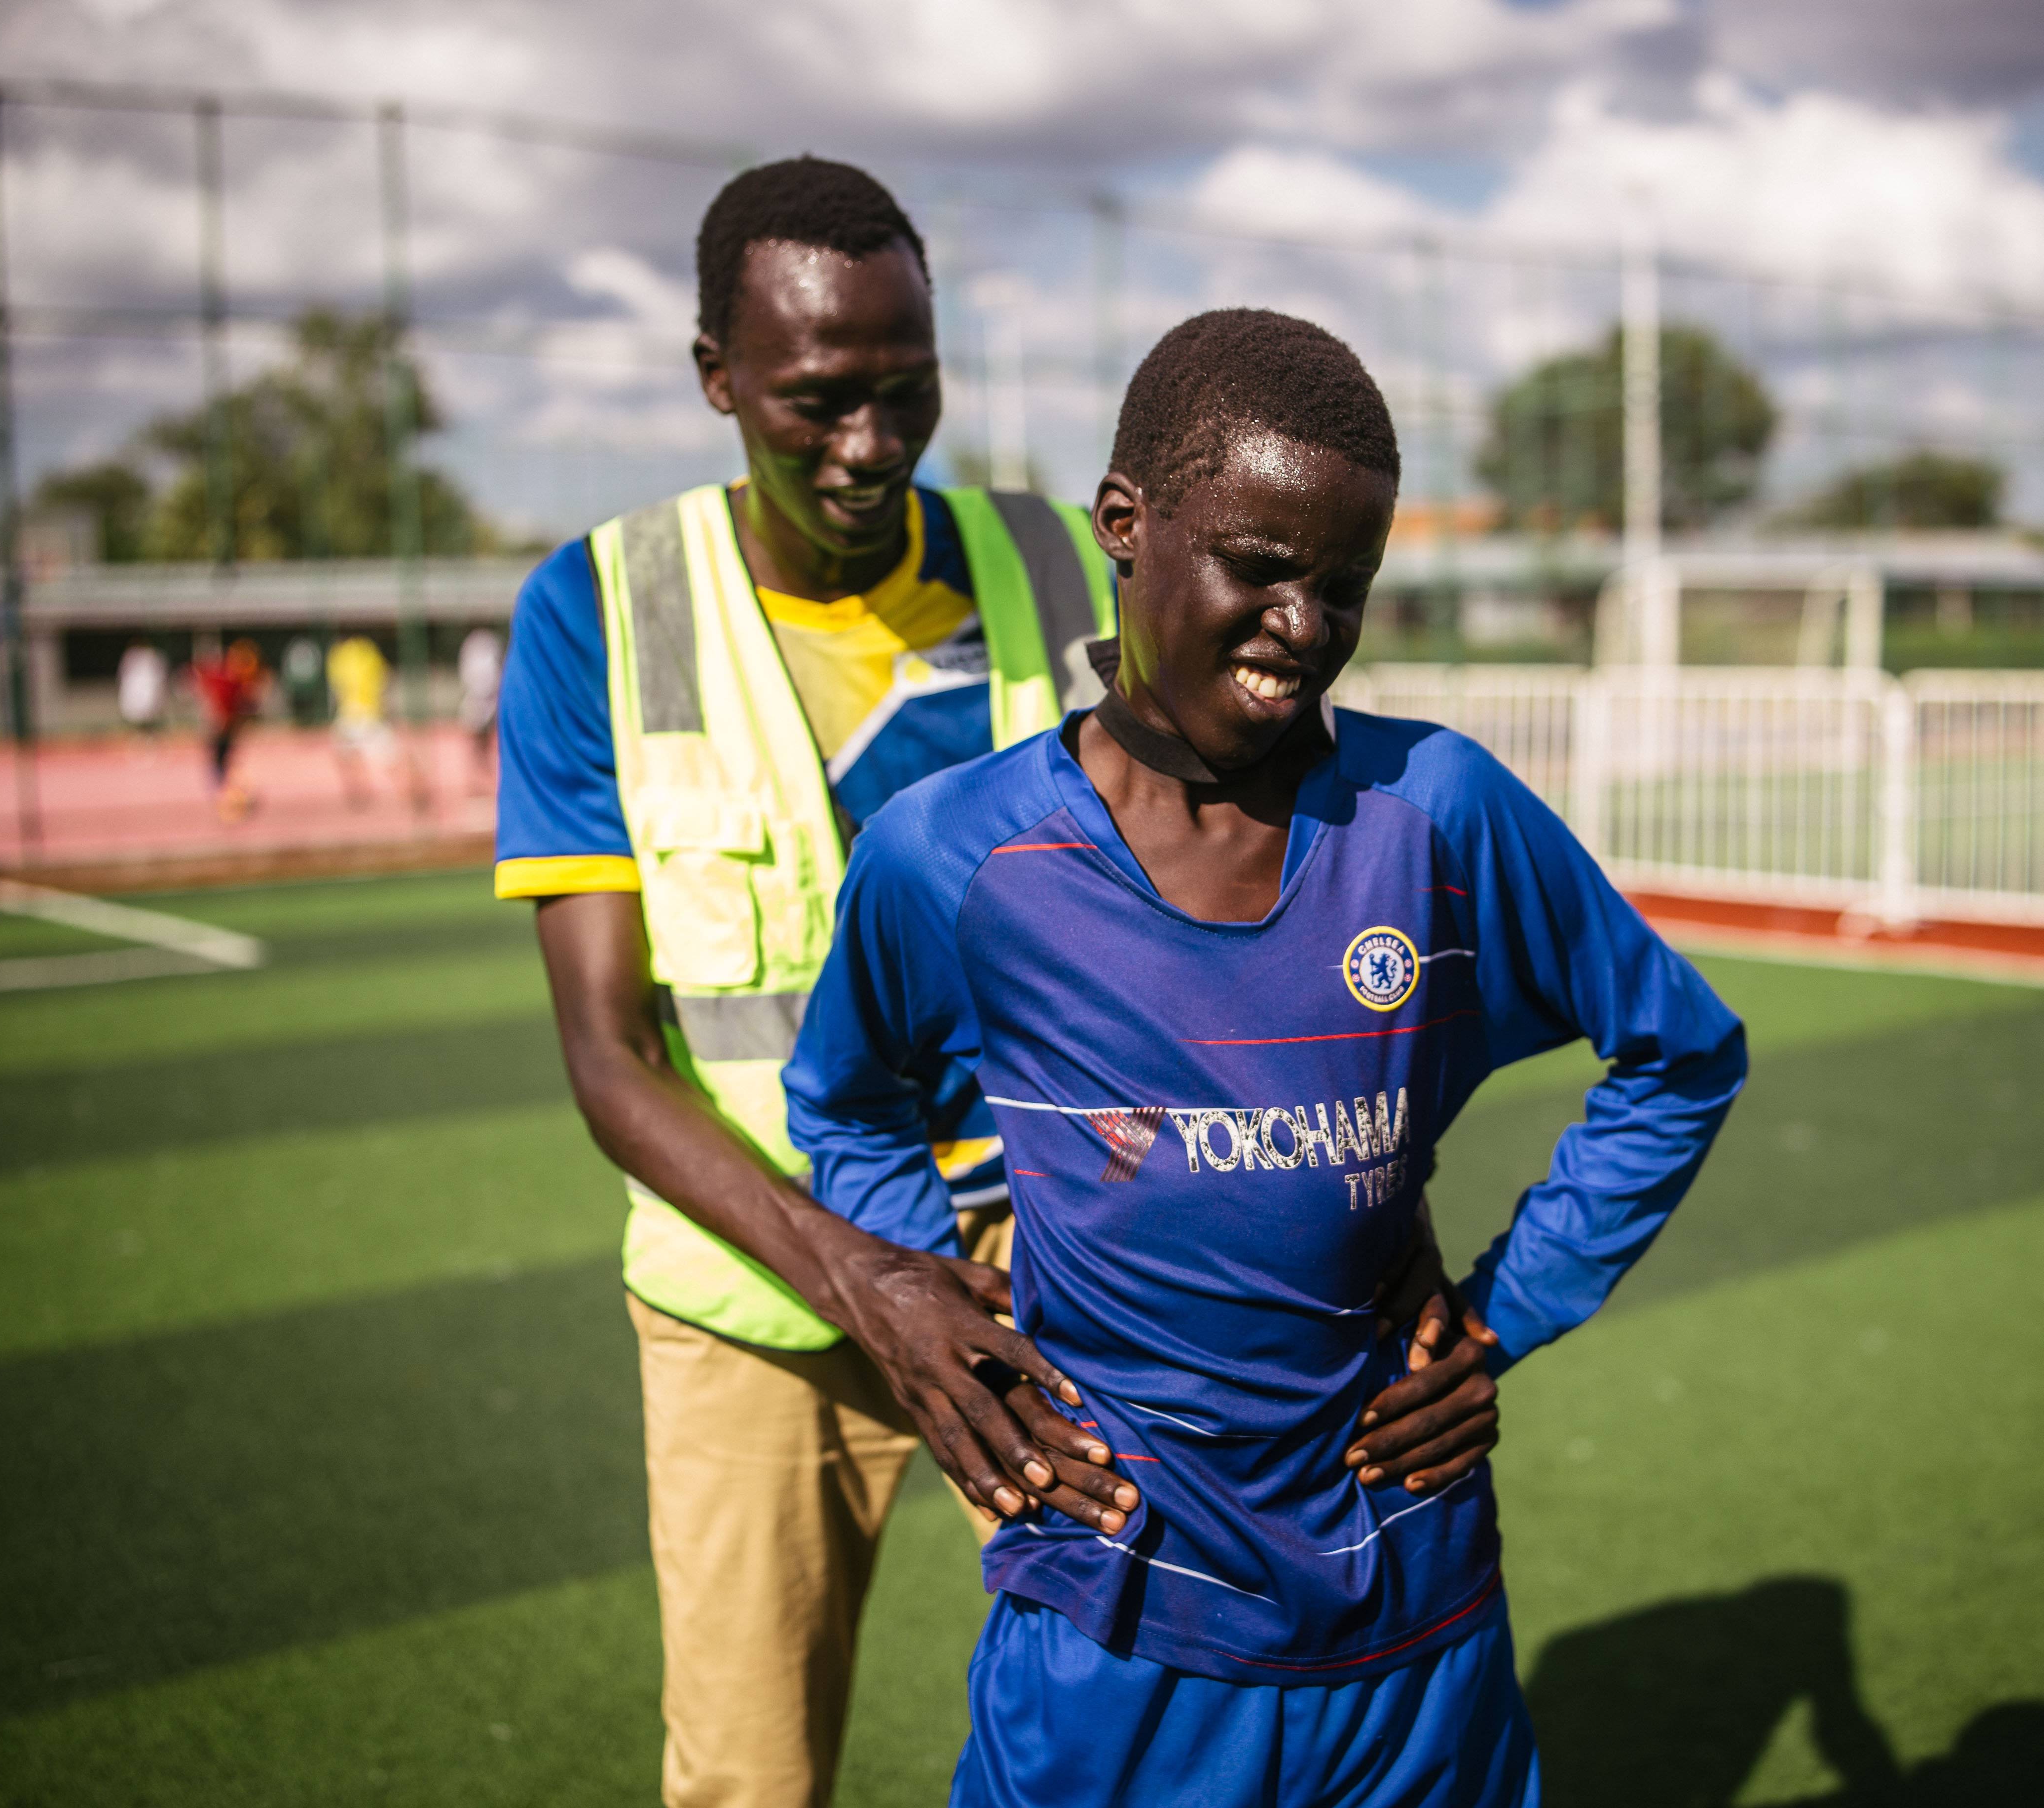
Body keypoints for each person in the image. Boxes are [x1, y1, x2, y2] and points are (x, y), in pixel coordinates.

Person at [493, 160, 1466, 1808]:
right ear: (716, 378)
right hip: (760, 1307)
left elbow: (1240, 878)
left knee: (1181, 1727)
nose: (871, 445)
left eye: (907, 389)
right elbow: (608, 1053)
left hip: (1079, 1275)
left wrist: (1378, 1221)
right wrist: (871, 1275)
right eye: (816, 401)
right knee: (747, 1776)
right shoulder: (595, 611)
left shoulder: (1048, 552)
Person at [782, 310, 1749, 1808]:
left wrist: (1502, 1316)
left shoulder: (1439, 810)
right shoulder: (955, 857)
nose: (1305, 625)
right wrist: (925, 1307)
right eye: (1258, 565)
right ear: (1126, 524)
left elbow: (1680, 1055)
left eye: (1344, 585)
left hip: (1412, 1618)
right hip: (1115, 1633)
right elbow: (844, 1101)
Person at [328, 631, 428, 813]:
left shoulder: (339, 655)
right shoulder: (367, 652)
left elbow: (339, 687)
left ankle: (412, 792)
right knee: (391, 762)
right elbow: (384, 680)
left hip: (359, 716)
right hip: (364, 716)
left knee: (351, 757)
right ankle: (415, 794)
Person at [191, 636, 265, 821]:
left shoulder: (231, 681)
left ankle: (239, 799)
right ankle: (237, 799)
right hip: (225, 729)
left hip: (223, 730)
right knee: (221, 769)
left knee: (220, 769)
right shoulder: (233, 680)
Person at [456, 625, 502, 792]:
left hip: (490, 700)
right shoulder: (477, 643)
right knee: (475, 744)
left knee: (491, 742)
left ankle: (490, 778)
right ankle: (478, 781)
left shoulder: (487, 643)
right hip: (478, 699)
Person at [116, 638, 168, 739]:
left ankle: (148, 733)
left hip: (146, 691)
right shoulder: (134, 657)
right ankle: (143, 733)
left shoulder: (149, 657)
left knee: (148, 712)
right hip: (139, 691)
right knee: (140, 713)